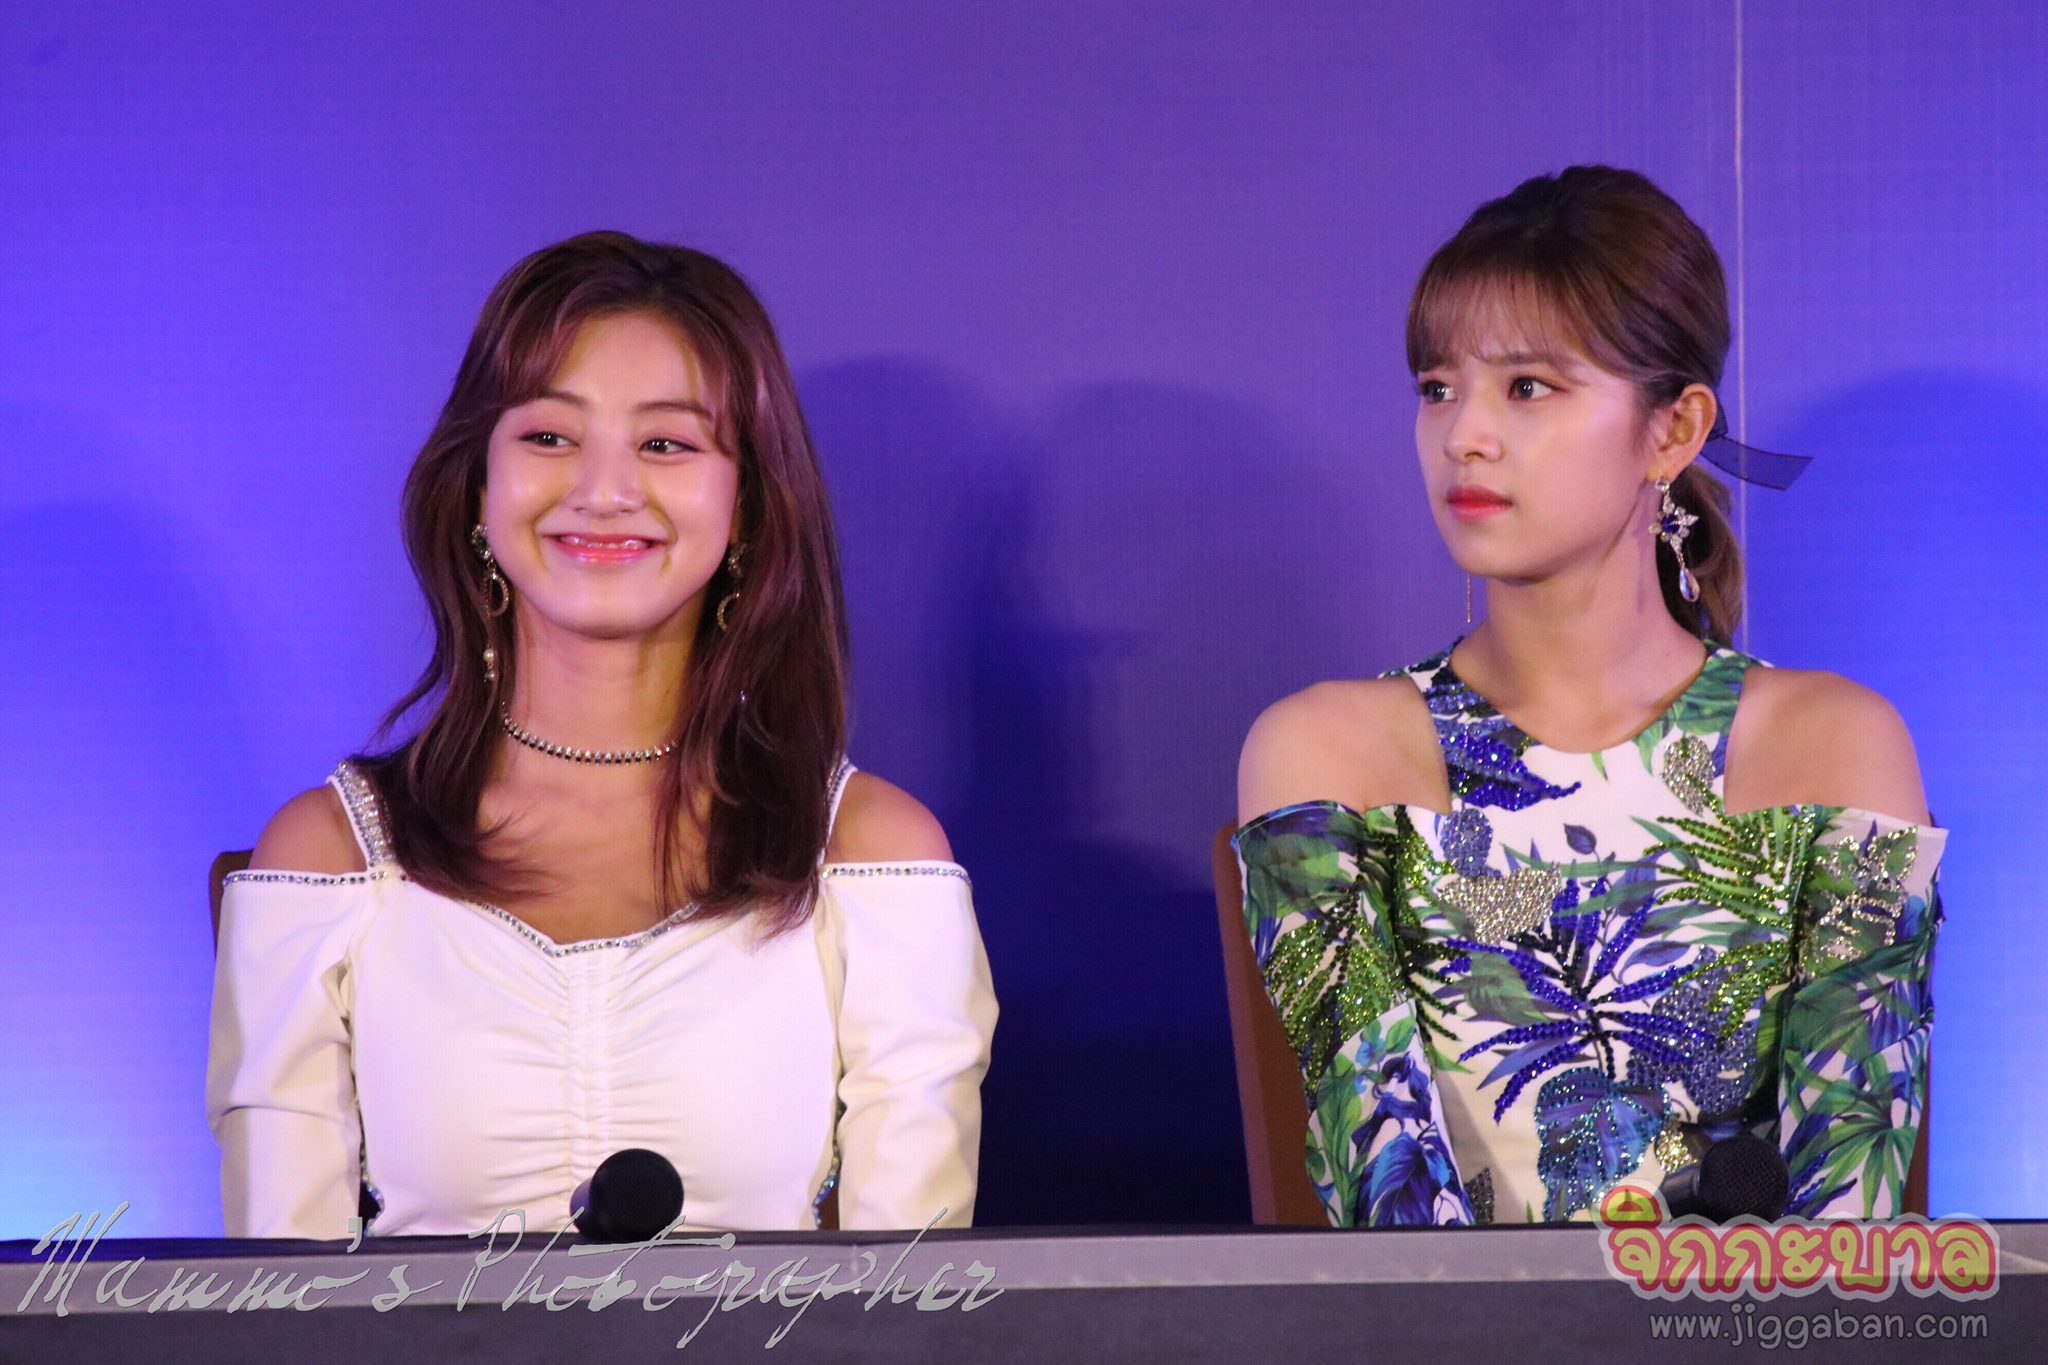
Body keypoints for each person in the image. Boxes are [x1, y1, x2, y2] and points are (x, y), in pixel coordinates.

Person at [206, 231, 997, 1237]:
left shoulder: (869, 853)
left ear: (748, 502)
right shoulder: (328, 856)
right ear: (477, 489)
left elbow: (911, 1291)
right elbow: (282, 1296)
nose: (604, 489)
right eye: (549, 436)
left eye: (666, 444)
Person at [1234, 167, 1942, 1227]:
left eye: (1526, 387)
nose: (1463, 435)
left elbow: (1849, 1211)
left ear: (1672, 430)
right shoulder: (1326, 750)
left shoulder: (1829, 742)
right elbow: (1382, 1206)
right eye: (1437, 387)